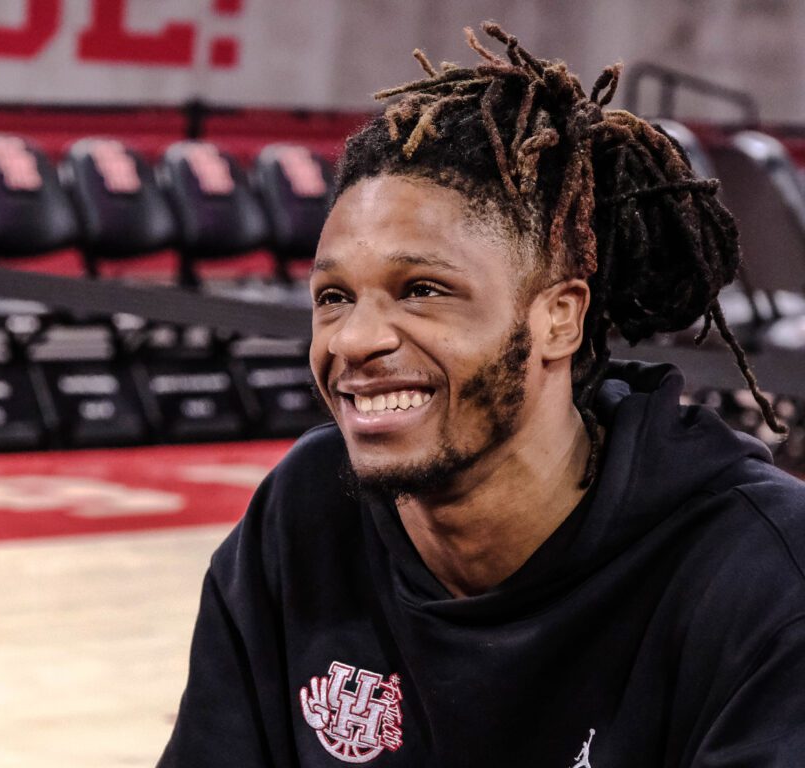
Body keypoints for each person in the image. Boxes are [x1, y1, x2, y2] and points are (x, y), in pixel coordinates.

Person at [158, 23, 805, 767]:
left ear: (558, 317)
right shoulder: (303, 516)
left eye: (423, 290)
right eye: (333, 297)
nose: (354, 341)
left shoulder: (763, 574)